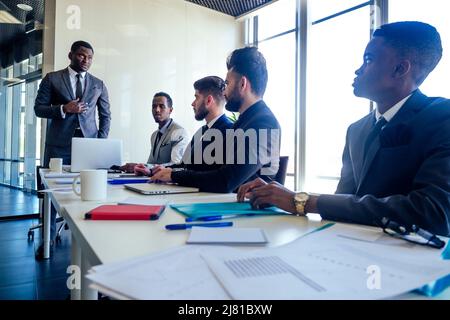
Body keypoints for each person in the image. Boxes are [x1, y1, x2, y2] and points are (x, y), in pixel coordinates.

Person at [238, 21, 450, 237]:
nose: (358, 69)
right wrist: (277, 197)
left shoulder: (443, 117)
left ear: (400, 69)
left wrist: (300, 201)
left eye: (368, 59)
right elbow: (342, 204)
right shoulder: (356, 130)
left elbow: (435, 213)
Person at [150, 47, 281, 193]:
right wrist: (168, 172)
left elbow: (226, 180)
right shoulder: (244, 122)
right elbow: (206, 169)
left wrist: (174, 176)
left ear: (242, 84)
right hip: (230, 203)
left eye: (227, 84)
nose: (224, 91)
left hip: (248, 210)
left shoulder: (263, 122)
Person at [34, 40, 111, 257]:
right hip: (59, 145)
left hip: (89, 146)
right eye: (81, 55)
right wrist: (62, 109)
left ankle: (90, 238)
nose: (86, 60)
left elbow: (105, 115)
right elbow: (38, 109)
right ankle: (46, 240)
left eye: (89, 57)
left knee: (91, 192)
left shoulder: (98, 84)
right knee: (51, 192)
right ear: (71, 55)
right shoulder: (52, 78)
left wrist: (99, 141)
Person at [144, 76, 233, 176]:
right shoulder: (201, 131)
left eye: (196, 97)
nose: (193, 103)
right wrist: (155, 170)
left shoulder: (230, 131)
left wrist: (174, 176)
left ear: (208, 101)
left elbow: (219, 177)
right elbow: (184, 165)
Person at [121, 92, 190, 174]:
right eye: (154, 106)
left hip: (170, 183)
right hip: (155, 180)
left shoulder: (179, 132)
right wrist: (137, 167)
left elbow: (176, 164)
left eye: (162, 106)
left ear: (170, 110)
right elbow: (151, 163)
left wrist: (144, 167)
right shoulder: (154, 135)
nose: (157, 110)